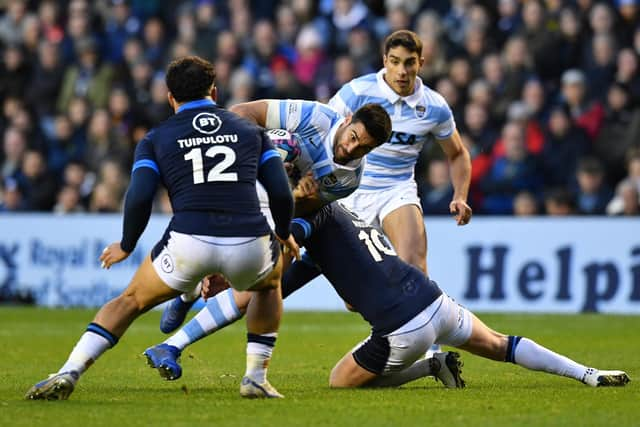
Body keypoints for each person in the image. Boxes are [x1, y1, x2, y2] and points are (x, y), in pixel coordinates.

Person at [147, 193, 630, 389]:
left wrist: (229, 268)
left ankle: (427, 367)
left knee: (339, 381)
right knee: (501, 345)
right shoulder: (343, 219)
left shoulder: (309, 217)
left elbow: (268, 273)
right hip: (436, 301)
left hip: (403, 329)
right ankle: (587, 374)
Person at [25, 56, 299, 401]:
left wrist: (126, 244)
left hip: (188, 240)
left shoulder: (156, 137)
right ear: (214, 91)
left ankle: (70, 370)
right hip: (246, 240)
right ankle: (255, 377)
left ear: (170, 97)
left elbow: (139, 196)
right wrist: (284, 230)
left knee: (129, 301)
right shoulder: (252, 132)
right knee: (268, 284)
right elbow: (279, 190)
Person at [158, 98, 392, 333]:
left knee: (256, 281)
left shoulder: (349, 179)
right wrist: (266, 154)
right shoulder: (314, 117)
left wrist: (298, 195)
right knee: (204, 248)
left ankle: (192, 304)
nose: (351, 150)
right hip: (241, 176)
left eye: (364, 148)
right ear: (348, 120)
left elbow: (302, 212)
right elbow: (241, 112)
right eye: (353, 137)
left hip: (276, 207)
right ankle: (187, 296)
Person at [328, 29, 472, 276]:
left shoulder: (434, 107)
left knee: (414, 270)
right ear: (385, 61)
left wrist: (460, 196)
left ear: (421, 63)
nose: (402, 71)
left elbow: (457, 154)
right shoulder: (356, 92)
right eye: (395, 62)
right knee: (354, 297)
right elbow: (322, 130)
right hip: (351, 191)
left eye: (409, 63)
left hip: (397, 190)